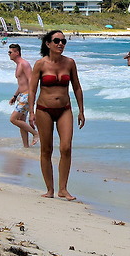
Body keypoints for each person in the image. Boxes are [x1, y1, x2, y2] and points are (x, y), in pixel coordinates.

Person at [28, 29, 85, 199]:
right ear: (48, 44)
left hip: (65, 109)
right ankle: (50, 189)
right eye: (57, 41)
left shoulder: (70, 63)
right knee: (46, 149)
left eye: (63, 41)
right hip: (44, 109)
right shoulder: (40, 64)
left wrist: (81, 110)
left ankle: (63, 189)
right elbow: (32, 90)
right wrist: (31, 112)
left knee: (66, 148)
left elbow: (76, 87)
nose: (61, 44)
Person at [6, 42, 36, 147]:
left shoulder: (24, 64)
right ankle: (26, 147)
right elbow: (22, 83)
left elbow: (31, 81)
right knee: (21, 121)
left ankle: (36, 134)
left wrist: (31, 97)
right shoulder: (19, 65)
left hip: (27, 95)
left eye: (10, 52)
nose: (8, 54)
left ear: (17, 53)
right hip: (22, 94)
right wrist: (15, 96)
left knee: (13, 119)